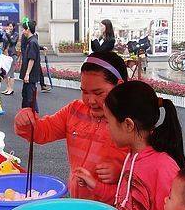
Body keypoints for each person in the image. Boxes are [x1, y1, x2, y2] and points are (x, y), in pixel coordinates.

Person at [73, 80, 185, 210]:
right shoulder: (132, 155)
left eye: (109, 122)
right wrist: (95, 185)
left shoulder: (163, 167)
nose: (107, 129)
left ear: (128, 125)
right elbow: (127, 201)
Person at [13, 51, 128, 199]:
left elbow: (146, 166)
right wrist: (26, 122)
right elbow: (43, 131)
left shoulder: (130, 122)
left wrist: (121, 172)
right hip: (76, 201)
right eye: (85, 92)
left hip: (114, 209)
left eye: (98, 93)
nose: (91, 101)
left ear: (119, 86)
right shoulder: (74, 111)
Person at [20, 20, 42, 112]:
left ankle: (32, 117)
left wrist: (27, 74)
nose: (22, 31)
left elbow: (31, 59)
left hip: (31, 76)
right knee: (27, 96)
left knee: (30, 98)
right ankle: (28, 115)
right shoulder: (31, 41)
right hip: (29, 75)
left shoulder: (32, 42)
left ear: (28, 29)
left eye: (24, 29)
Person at [0, 22, 19, 95]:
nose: (9, 27)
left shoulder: (16, 34)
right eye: (8, 26)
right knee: (5, 72)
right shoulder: (5, 33)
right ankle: (7, 88)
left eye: (11, 26)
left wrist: (8, 35)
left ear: (13, 27)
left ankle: (11, 89)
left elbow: (13, 43)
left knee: (11, 72)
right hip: (5, 54)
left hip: (12, 54)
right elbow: (2, 41)